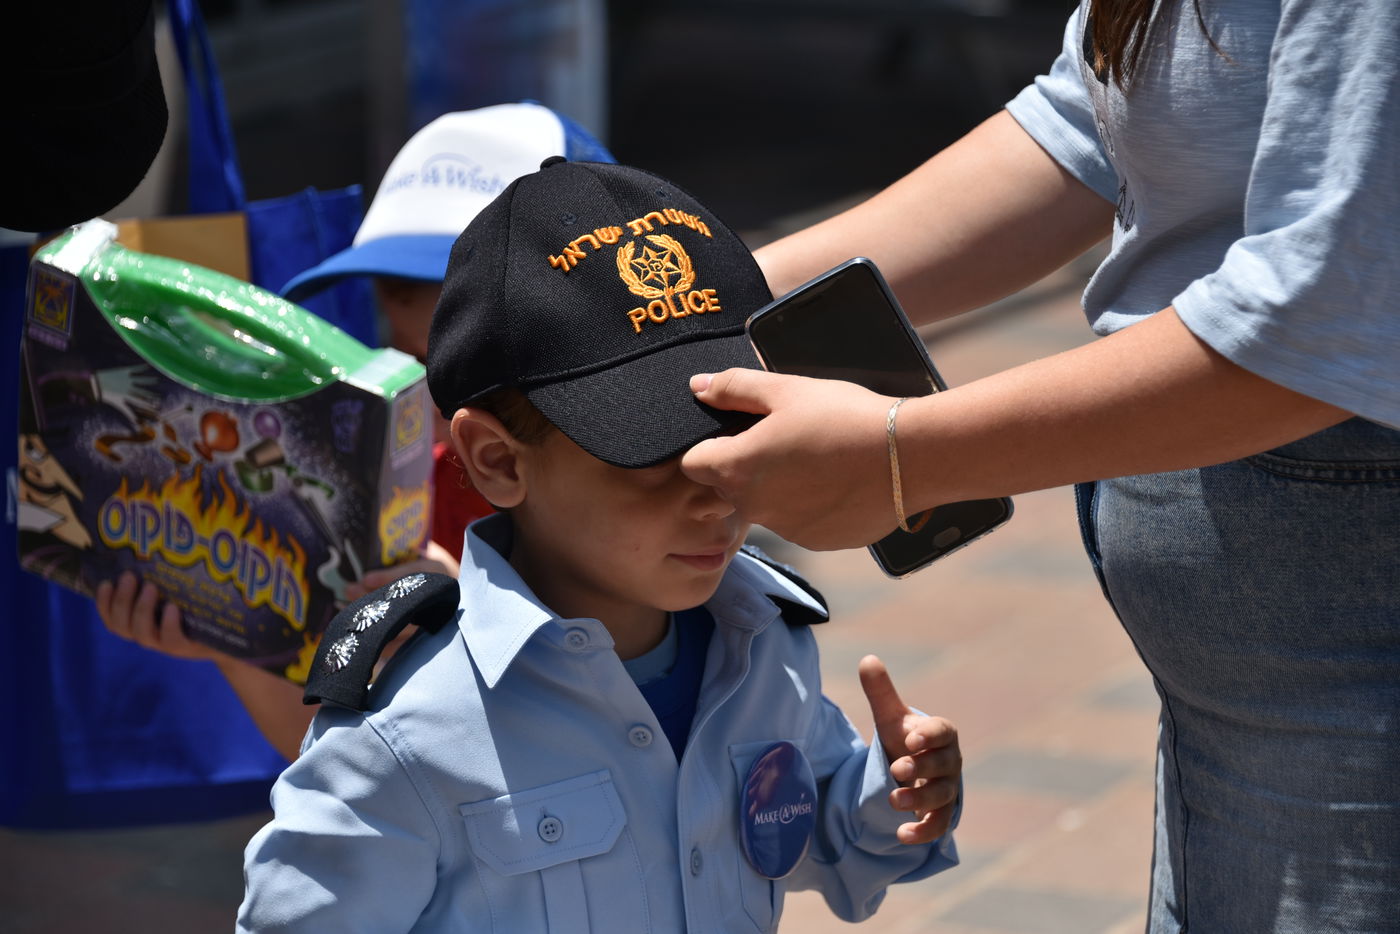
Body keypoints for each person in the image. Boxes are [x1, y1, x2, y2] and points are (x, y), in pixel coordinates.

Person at [678, 2, 1400, 931]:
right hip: (1246, 724)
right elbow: (1088, 128)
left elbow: (1320, 318)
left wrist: (900, 455)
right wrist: (697, 309)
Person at [237, 158, 963, 933]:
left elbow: (815, 834)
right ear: (497, 460)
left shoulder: (762, 649)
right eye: (653, 456)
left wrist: (892, 797)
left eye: (743, 436)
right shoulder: (409, 728)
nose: (716, 490)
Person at [97, 103, 618, 761]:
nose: (436, 410)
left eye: (470, 375)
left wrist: (471, 617)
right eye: (410, 364)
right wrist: (231, 643)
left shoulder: (648, 482)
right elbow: (337, 760)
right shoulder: (411, 494)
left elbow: (621, 725)